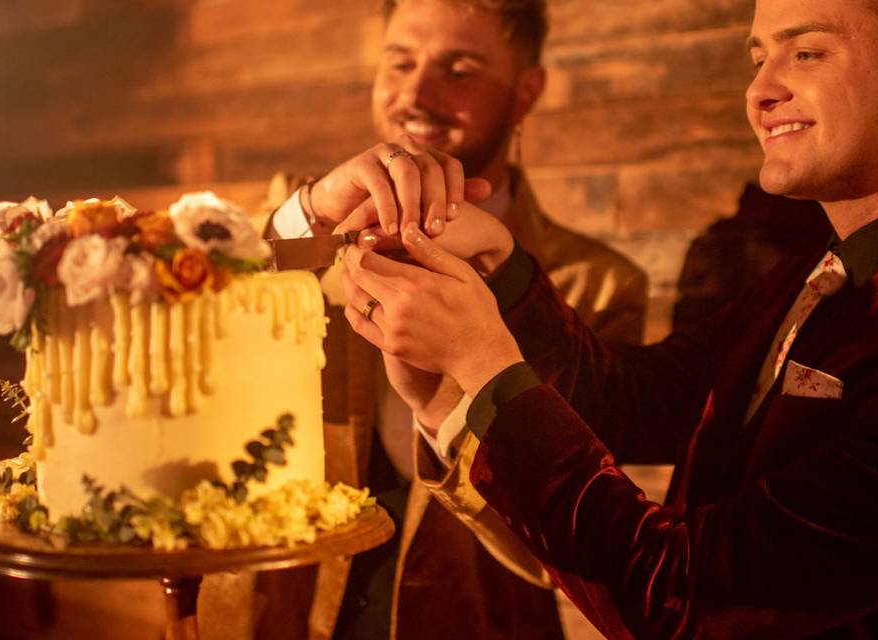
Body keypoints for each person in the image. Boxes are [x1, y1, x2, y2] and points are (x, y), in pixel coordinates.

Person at [325, 0, 878, 636]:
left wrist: (482, 366)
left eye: (806, 53)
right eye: (758, 58)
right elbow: (636, 402)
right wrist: (503, 268)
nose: (760, 90)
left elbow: (687, 597)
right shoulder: (811, 269)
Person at [262, 0, 647, 637]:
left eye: (459, 69)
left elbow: (579, 542)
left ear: (528, 92)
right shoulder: (304, 223)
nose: (416, 94)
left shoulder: (597, 285)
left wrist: (449, 400)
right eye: (401, 62)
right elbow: (202, 304)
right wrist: (313, 213)